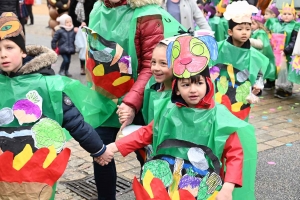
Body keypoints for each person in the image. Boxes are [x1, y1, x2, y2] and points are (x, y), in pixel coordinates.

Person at [104, 35, 257, 200]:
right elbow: (147, 133)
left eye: (198, 83)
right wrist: (114, 147)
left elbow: (234, 153)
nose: (192, 90)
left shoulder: (219, 116)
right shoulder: (168, 110)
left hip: (205, 187)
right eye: (185, 84)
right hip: (171, 185)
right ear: (176, 89)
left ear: (208, 84)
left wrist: (228, 185)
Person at [0, 12, 116, 199]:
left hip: (36, 171)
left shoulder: (46, 85)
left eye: (9, 47)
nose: (3, 54)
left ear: (23, 51)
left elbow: (75, 122)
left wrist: (98, 150)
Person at [87, 0, 187, 198]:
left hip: (142, 96)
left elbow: (151, 67)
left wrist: (132, 103)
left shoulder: (147, 14)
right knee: (100, 152)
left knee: (150, 158)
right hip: (105, 97)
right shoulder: (98, 8)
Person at [212, 1, 271, 121]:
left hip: (241, 100)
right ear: (230, 31)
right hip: (219, 95)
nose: (244, 32)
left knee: (237, 128)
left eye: (248, 29)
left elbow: (259, 74)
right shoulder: (218, 48)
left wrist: (257, 88)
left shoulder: (254, 55)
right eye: (239, 29)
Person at [265, 0, 300, 98]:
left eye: (289, 14)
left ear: (294, 16)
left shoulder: (295, 26)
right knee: (273, 66)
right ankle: (270, 81)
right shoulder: (276, 23)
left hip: (287, 54)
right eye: (284, 14)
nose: (286, 16)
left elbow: (295, 41)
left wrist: (286, 50)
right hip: (275, 51)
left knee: (285, 71)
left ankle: (285, 89)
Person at [69, 0, 97, 75]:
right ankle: (83, 66)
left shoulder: (92, 2)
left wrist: (86, 22)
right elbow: (71, 14)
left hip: (90, 26)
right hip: (78, 28)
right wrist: (74, 26)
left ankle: (93, 66)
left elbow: (94, 13)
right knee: (82, 47)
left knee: (92, 46)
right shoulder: (74, 2)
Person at [250, 10, 276, 90]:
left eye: (253, 24)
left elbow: (261, 45)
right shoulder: (254, 32)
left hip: (260, 56)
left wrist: (250, 40)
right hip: (256, 56)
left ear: (259, 25)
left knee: (259, 73)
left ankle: (258, 88)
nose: (251, 26)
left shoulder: (261, 33)